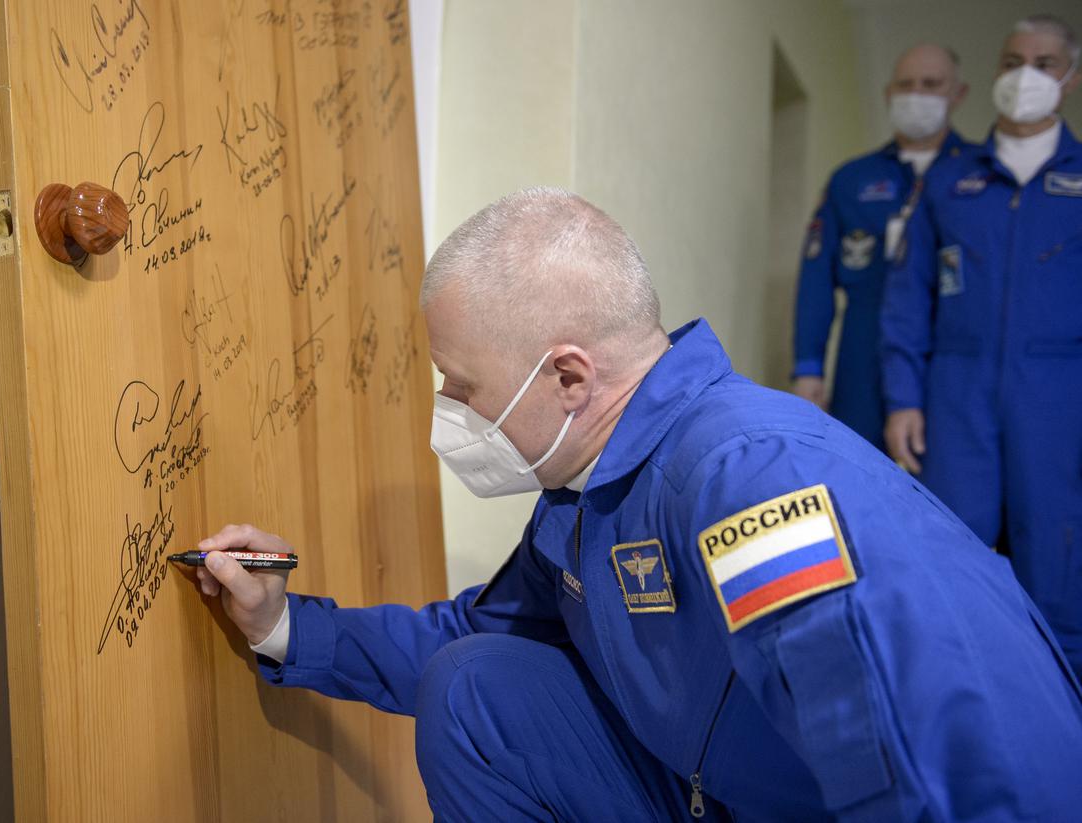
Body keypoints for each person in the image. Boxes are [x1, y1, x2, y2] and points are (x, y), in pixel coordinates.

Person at [191, 189, 1082, 821]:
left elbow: (912, 730)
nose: (451, 411)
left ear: (569, 375)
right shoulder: (584, 493)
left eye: (460, 385)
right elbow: (471, 633)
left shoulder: (747, 475)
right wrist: (283, 628)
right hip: (705, 792)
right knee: (474, 686)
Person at [881, 14, 1082, 679]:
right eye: (1011, 60)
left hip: (1058, 396)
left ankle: (1064, 718)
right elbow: (906, 298)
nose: (1024, 74)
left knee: (1057, 556)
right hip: (956, 393)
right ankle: (960, 707)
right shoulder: (948, 181)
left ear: (1070, 77)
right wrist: (903, 397)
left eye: (1044, 62)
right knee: (948, 554)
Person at [792, 44, 970, 450]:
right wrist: (808, 368)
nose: (917, 94)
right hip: (862, 349)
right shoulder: (852, 180)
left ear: (959, 94)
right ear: (888, 92)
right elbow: (815, 281)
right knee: (856, 472)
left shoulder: (978, 177)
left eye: (931, 84)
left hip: (951, 352)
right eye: (906, 84)